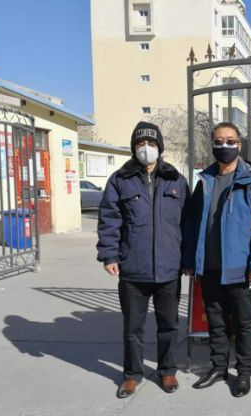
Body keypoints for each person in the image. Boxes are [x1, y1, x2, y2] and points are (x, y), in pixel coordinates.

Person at [97, 121, 189, 398]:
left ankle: (167, 370)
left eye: (151, 143)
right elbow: (109, 219)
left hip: (169, 268)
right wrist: (109, 255)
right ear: (133, 148)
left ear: (159, 147)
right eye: (140, 144)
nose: (146, 148)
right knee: (133, 328)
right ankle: (132, 375)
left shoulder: (176, 179)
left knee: (168, 325)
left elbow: (188, 223)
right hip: (133, 268)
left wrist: (187, 259)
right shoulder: (119, 180)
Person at [182, 122, 251, 397]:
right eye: (219, 141)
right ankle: (218, 367)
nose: (224, 146)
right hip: (209, 267)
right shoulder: (204, 180)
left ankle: (243, 373)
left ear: (239, 145)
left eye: (230, 141)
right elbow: (192, 223)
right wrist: (190, 258)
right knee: (216, 322)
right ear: (212, 144)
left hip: (240, 268)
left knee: (244, 324)